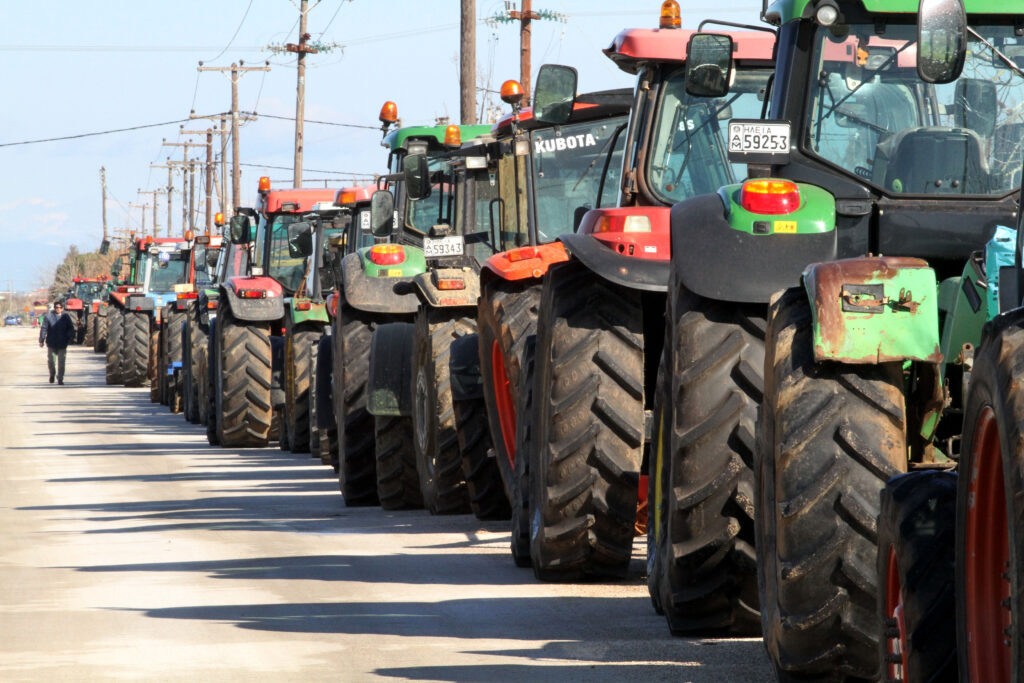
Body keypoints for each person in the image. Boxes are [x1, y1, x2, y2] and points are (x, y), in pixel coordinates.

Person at [39, 300, 75, 385]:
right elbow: (44, 328)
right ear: (54, 308)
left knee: (61, 362)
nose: (58, 309)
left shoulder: (66, 317)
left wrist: (70, 337)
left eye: (60, 307)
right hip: (52, 342)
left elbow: (71, 328)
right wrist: (41, 340)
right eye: (57, 307)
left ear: (62, 308)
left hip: (62, 343)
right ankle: (52, 374)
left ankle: (60, 378)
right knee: (51, 361)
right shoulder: (48, 317)